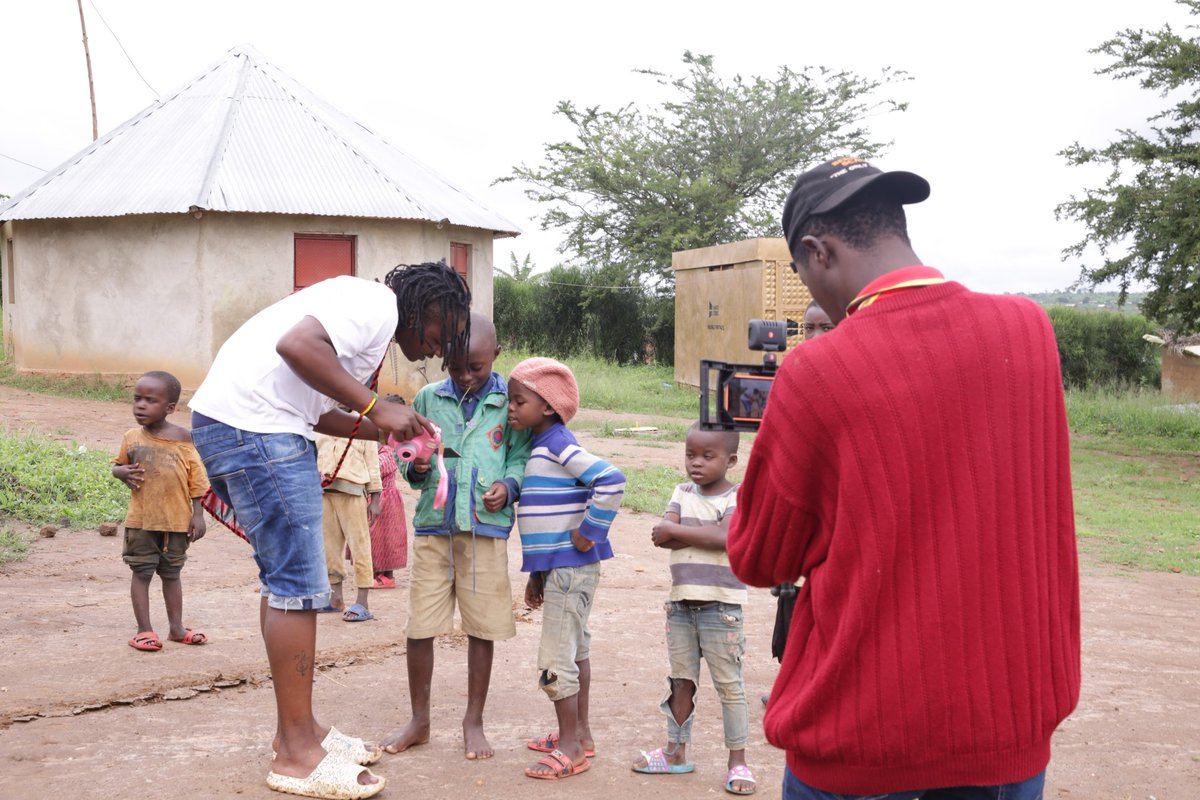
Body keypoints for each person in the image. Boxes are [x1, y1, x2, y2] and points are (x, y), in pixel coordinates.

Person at [727, 157, 1081, 800]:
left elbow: (759, 554)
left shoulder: (818, 371)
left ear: (817, 251)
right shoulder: (1030, 329)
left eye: (803, 273)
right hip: (1008, 726)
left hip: (865, 735)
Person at [188, 261, 470, 800]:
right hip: (257, 432)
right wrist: (373, 405)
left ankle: (301, 732)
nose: (438, 348)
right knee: (298, 586)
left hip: (248, 426)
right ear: (424, 307)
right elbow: (296, 347)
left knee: (285, 583)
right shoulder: (372, 304)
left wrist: (392, 428)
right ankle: (297, 754)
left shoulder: (362, 319)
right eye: (443, 331)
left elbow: (317, 412)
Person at [380, 314, 532, 761]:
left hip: (485, 533)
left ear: (497, 357)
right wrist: (417, 468)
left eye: (477, 367)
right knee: (419, 627)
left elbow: (520, 458)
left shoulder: (511, 402)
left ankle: (473, 721)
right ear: (444, 359)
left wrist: (509, 486)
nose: (466, 376)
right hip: (433, 529)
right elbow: (409, 455)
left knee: (481, 628)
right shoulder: (427, 397)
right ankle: (420, 720)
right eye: (456, 366)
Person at [507, 357, 626, 781]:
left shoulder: (558, 443)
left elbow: (611, 479)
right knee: (576, 650)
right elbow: (546, 523)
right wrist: (536, 576)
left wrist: (589, 531)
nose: (511, 409)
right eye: (510, 401)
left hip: (573, 566)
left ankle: (570, 747)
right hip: (560, 570)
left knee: (557, 657)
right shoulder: (542, 446)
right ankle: (581, 734)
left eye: (519, 401)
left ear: (548, 407)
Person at [633, 422, 755, 796]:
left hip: (722, 609)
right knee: (681, 681)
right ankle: (675, 752)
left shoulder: (737, 497)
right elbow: (659, 535)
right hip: (682, 606)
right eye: (690, 455)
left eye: (707, 456)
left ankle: (738, 761)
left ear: (731, 460)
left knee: (729, 688)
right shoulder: (681, 491)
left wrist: (683, 532)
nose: (696, 463)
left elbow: (726, 539)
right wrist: (701, 533)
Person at [111, 370, 209, 652]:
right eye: (137, 399)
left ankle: (177, 629)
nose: (141, 405)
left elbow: (196, 479)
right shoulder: (131, 438)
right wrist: (119, 472)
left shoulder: (183, 438)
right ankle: (144, 631)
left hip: (177, 523)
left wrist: (198, 513)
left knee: (172, 574)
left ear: (169, 408)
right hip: (141, 522)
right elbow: (118, 465)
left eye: (150, 400)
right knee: (141, 573)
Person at [768, 300, 835, 670]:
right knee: (792, 610)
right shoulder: (795, 376)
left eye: (827, 327)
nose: (815, 337)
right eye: (808, 328)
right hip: (802, 511)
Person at [314, 430, 381, 621]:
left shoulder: (363, 425)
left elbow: (373, 463)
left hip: (353, 493)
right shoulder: (322, 423)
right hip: (324, 492)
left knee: (360, 547)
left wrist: (375, 499)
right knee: (329, 549)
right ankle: (336, 599)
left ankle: (363, 603)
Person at [368, 395, 410, 590]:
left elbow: (386, 465)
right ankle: (376, 573)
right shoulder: (374, 435)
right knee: (375, 536)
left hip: (387, 496)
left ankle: (387, 575)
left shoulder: (396, 444)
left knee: (388, 538)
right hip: (375, 493)